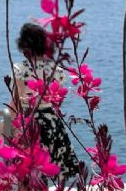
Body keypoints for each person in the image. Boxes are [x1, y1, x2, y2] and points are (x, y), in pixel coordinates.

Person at [12, 22, 79, 179]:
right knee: (53, 174)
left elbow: (17, 101)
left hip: (29, 123)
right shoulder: (58, 71)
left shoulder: (19, 69)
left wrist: (5, 128)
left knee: (27, 173)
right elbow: (57, 101)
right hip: (52, 124)